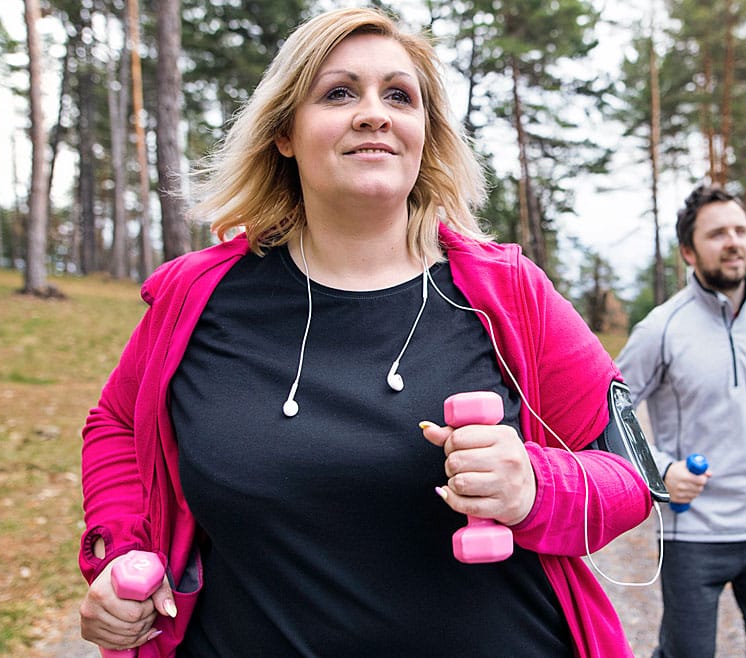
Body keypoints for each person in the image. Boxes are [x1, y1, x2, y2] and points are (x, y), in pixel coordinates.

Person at [78, 7, 654, 657]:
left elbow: (632, 478)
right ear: (285, 134)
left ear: (424, 136)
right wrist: (121, 552)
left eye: (399, 97)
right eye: (339, 93)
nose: (374, 112)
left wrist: (533, 487)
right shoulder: (195, 297)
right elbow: (117, 425)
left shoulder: (507, 292)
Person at [616, 183, 746, 658]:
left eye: (740, 230)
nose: (733, 242)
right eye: (717, 234)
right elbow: (611, 413)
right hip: (694, 532)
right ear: (689, 251)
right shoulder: (660, 329)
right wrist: (660, 471)